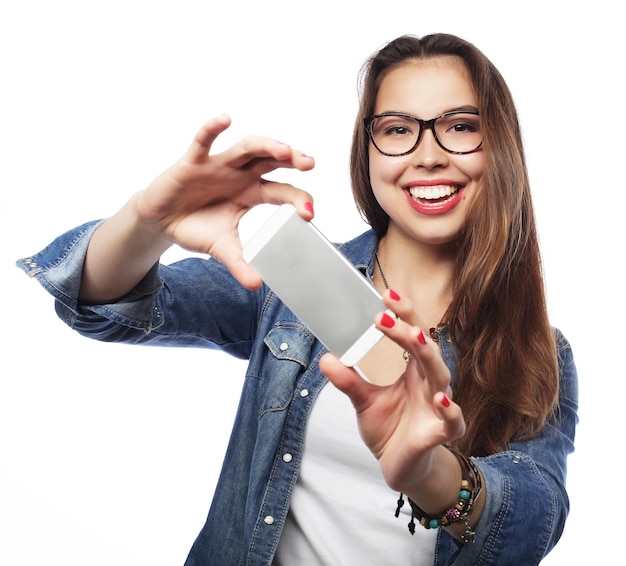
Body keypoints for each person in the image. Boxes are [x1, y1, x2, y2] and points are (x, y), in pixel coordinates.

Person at [17, 33, 578, 565]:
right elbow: (103, 304)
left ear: (499, 146)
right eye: (398, 128)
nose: (427, 155)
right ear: (368, 149)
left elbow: (530, 524)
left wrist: (430, 474)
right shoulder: (295, 283)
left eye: (459, 126)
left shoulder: (538, 349)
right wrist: (148, 220)